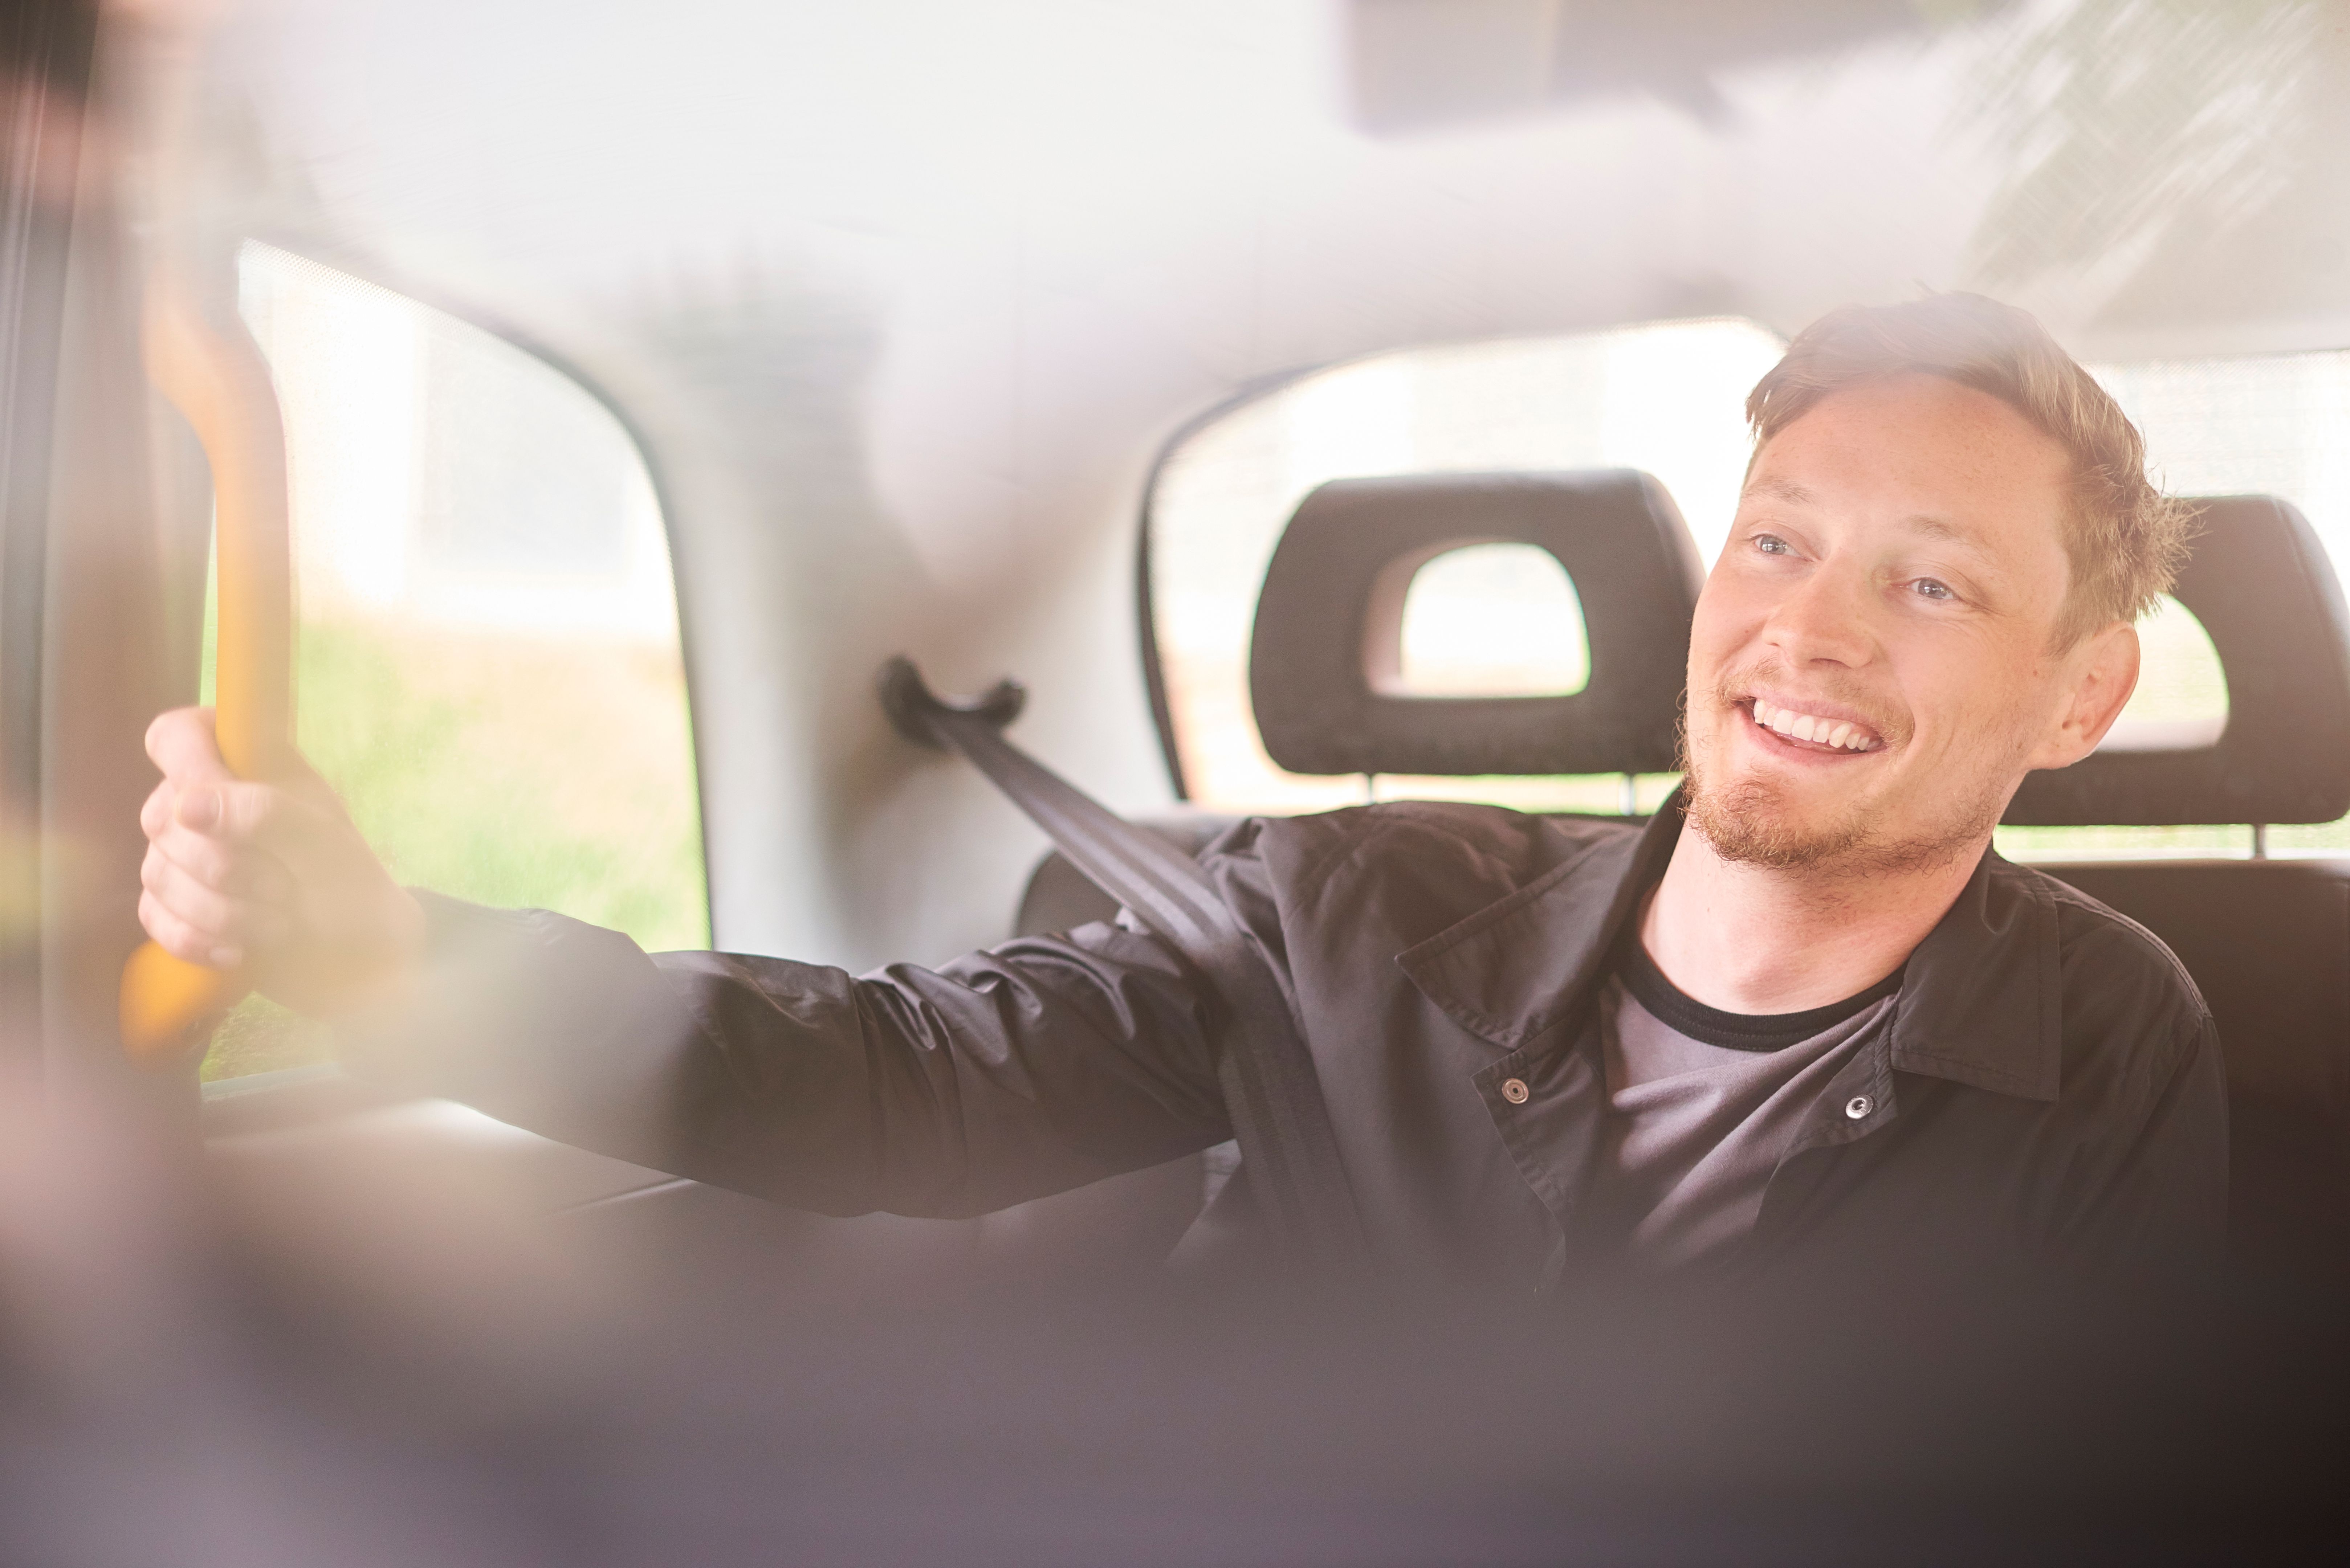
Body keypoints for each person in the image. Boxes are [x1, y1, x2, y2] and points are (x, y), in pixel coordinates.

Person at [133, 293, 2224, 1286]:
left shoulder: (2113, 1035)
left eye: (1931, 584)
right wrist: (392, 960)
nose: (1809, 631)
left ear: (2081, 695)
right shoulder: (1353, 910)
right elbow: (893, 1085)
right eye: (1776, 540)